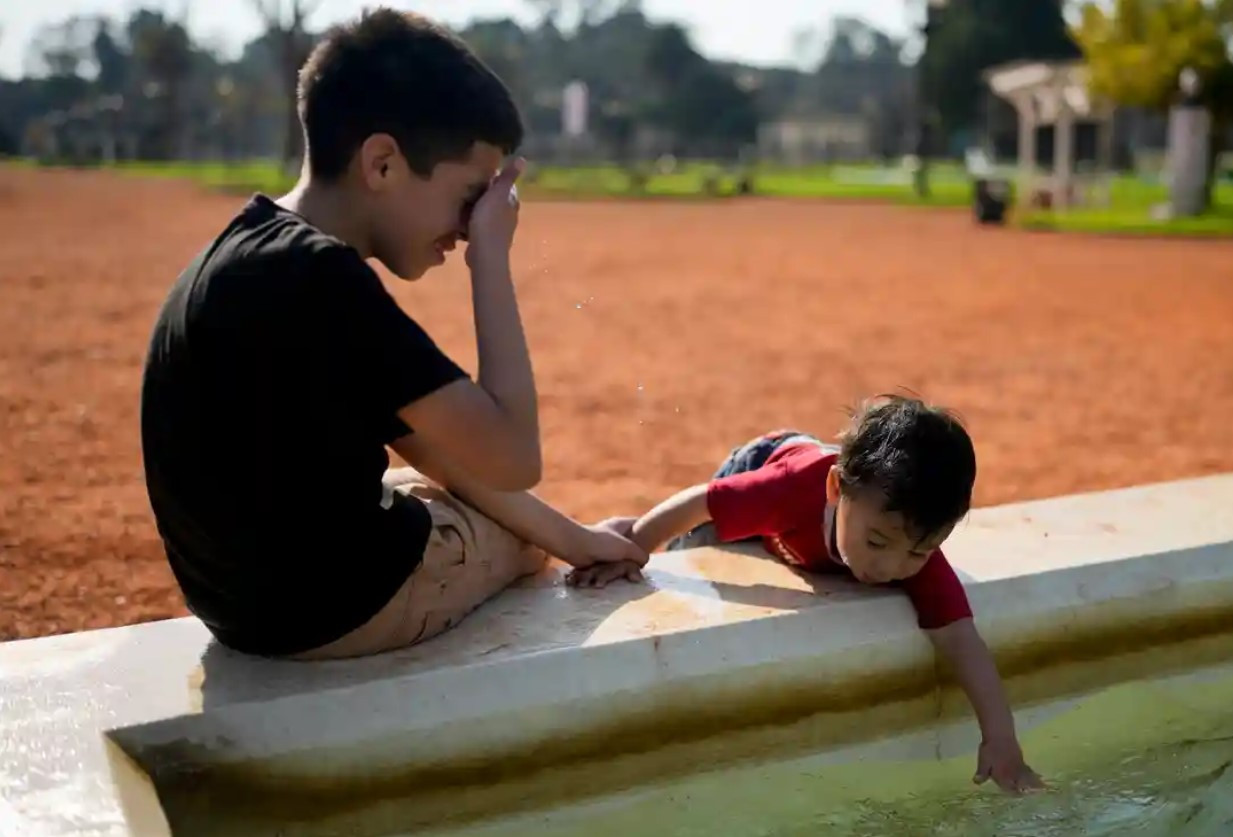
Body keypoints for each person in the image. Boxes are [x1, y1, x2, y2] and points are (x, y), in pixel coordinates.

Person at [139, 9, 643, 662]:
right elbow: (515, 457)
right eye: (468, 198)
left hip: (236, 611)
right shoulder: (324, 278)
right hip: (338, 613)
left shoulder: (247, 250)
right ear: (381, 164)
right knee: (518, 537)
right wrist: (489, 258)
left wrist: (577, 535)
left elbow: (431, 445)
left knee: (438, 486)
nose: (469, 224)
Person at [569, 394, 1046, 794]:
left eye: (918, 554)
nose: (890, 568)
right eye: (877, 543)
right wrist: (635, 550)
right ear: (837, 489)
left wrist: (1000, 737)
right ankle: (621, 531)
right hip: (767, 458)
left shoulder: (908, 542)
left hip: (832, 495)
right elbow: (701, 501)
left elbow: (961, 639)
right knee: (696, 545)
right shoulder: (787, 492)